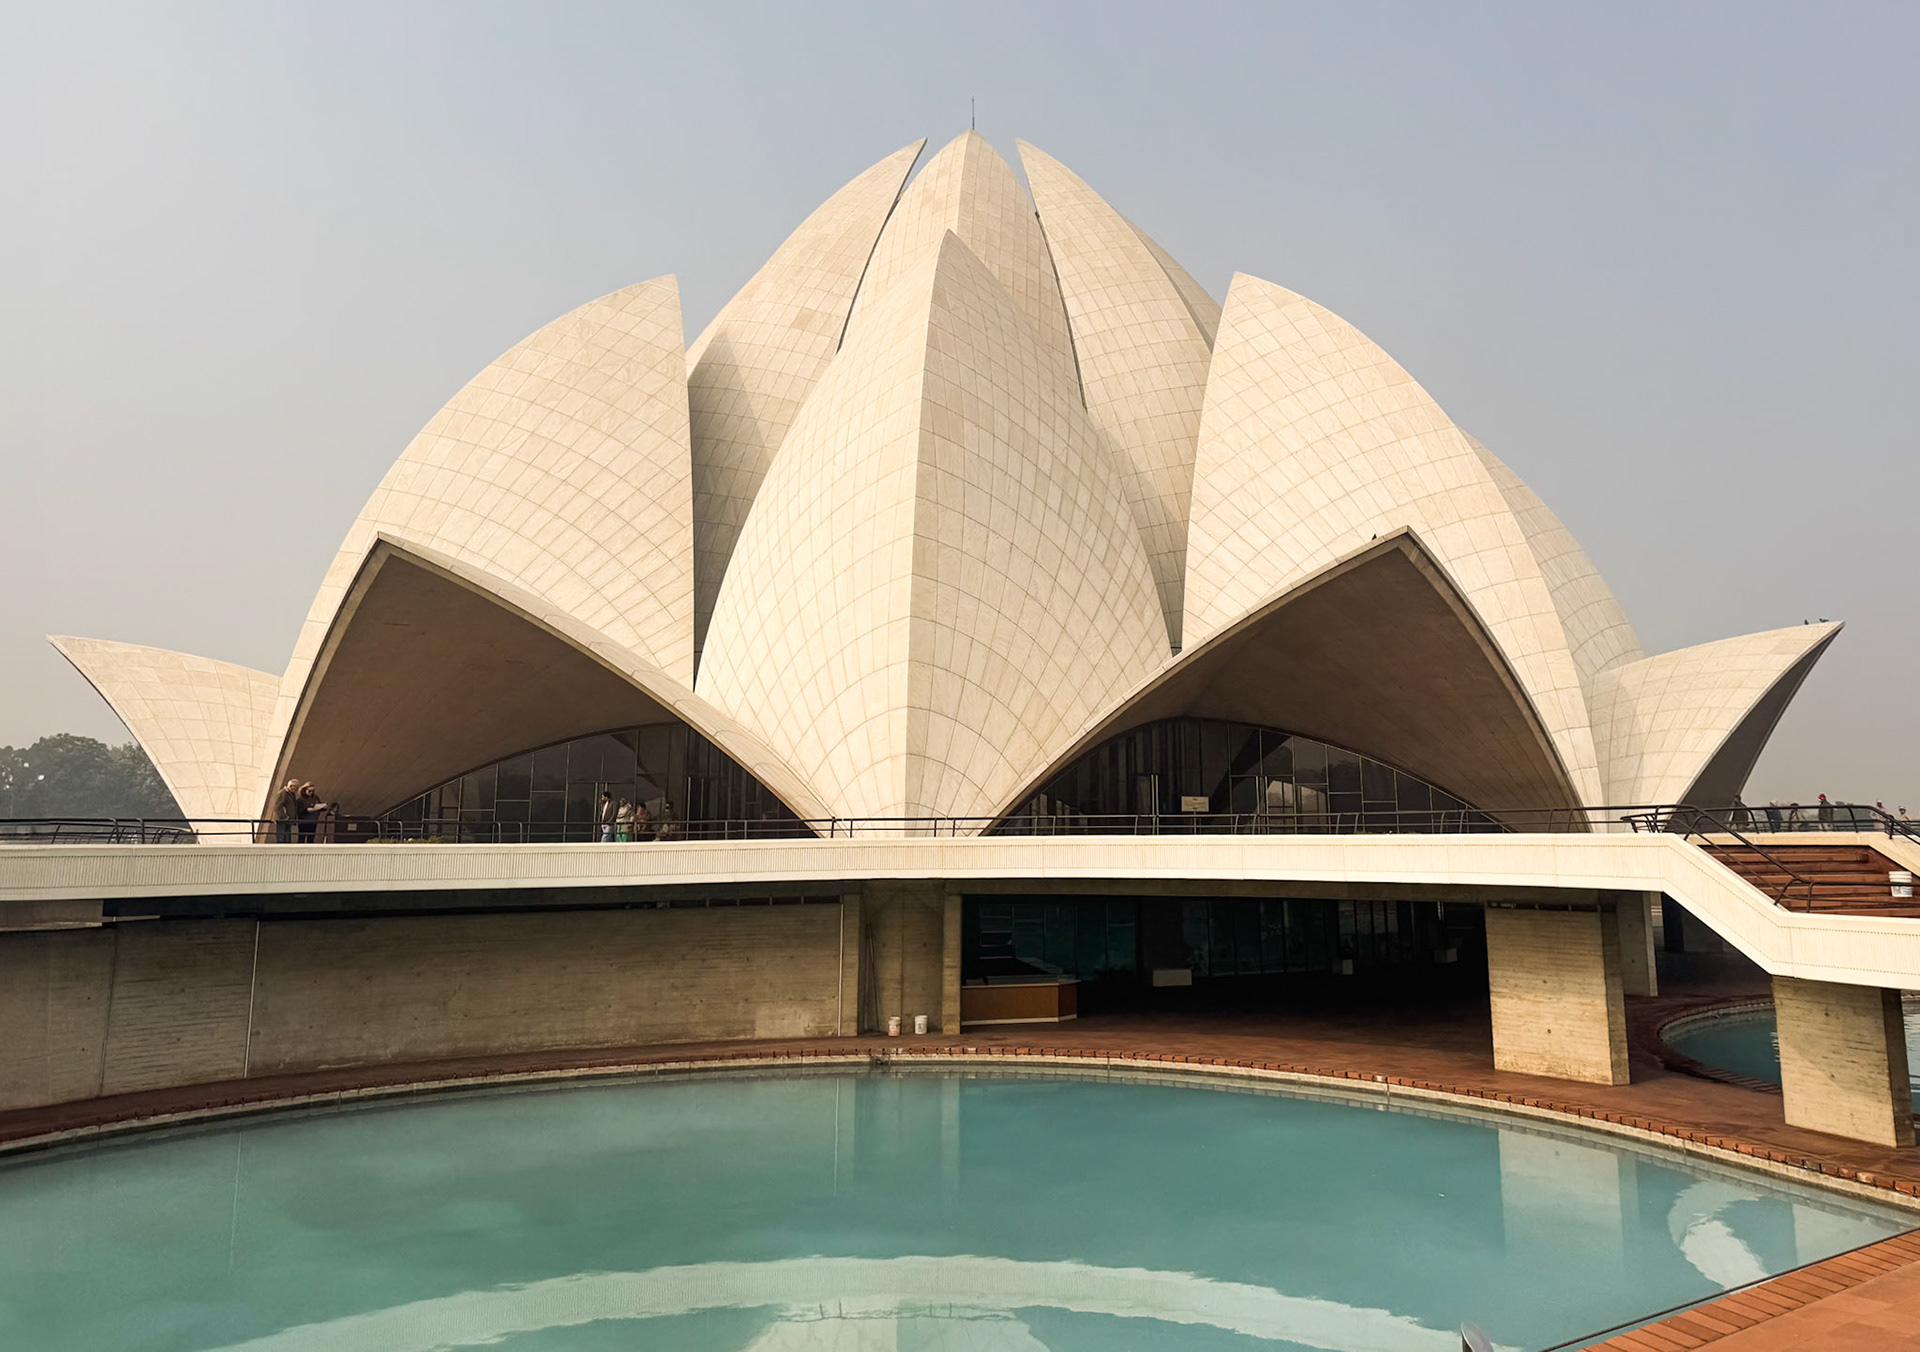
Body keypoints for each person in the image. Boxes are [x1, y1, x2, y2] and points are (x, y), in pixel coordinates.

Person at [273, 778, 301, 844]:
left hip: (288, 820)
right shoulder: (282, 793)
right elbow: (277, 806)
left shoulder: (291, 794)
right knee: (282, 837)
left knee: (287, 837)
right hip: (283, 820)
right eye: (296, 787)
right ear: (291, 786)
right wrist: (284, 816)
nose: (296, 789)